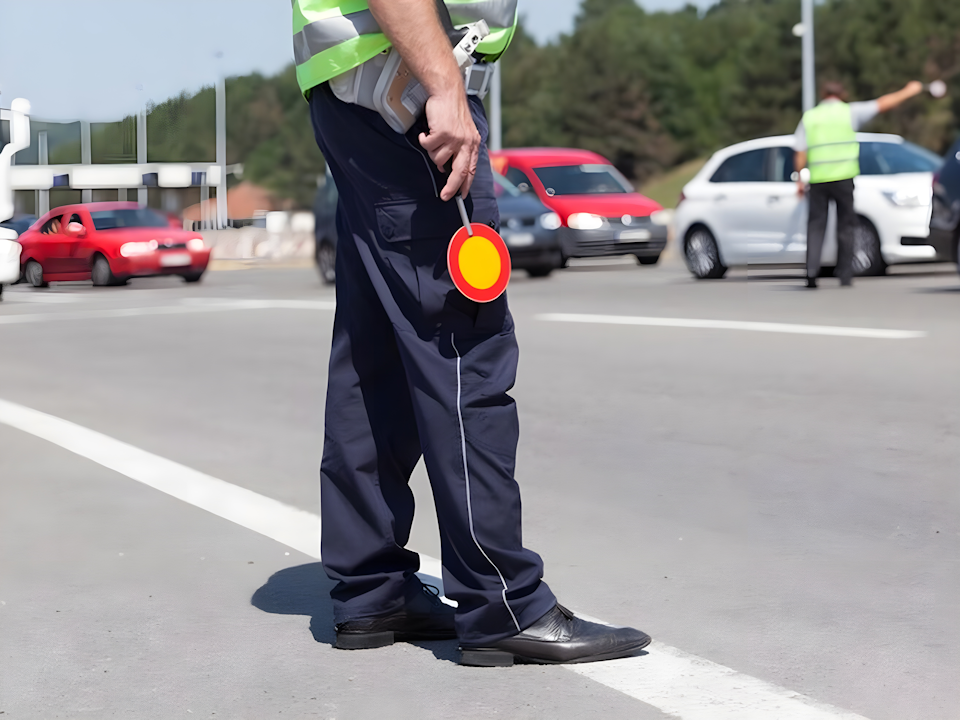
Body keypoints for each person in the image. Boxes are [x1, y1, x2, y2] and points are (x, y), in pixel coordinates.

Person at [292, 0, 650, 667]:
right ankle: (503, 601)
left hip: (361, 87)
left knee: (376, 358)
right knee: (463, 344)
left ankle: (372, 589)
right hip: (408, 89)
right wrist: (446, 88)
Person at [794, 79, 923, 288]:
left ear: (823, 95)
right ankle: (845, 274)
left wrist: (800, 178)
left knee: (816, 226)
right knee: (846, 226)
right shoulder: (849, 112)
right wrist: (909, 91)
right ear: (842, 94)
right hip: (844, 178)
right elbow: (883, 103)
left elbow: (800, 151)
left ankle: (811, 271)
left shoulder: (810, 117)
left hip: (818, 179)